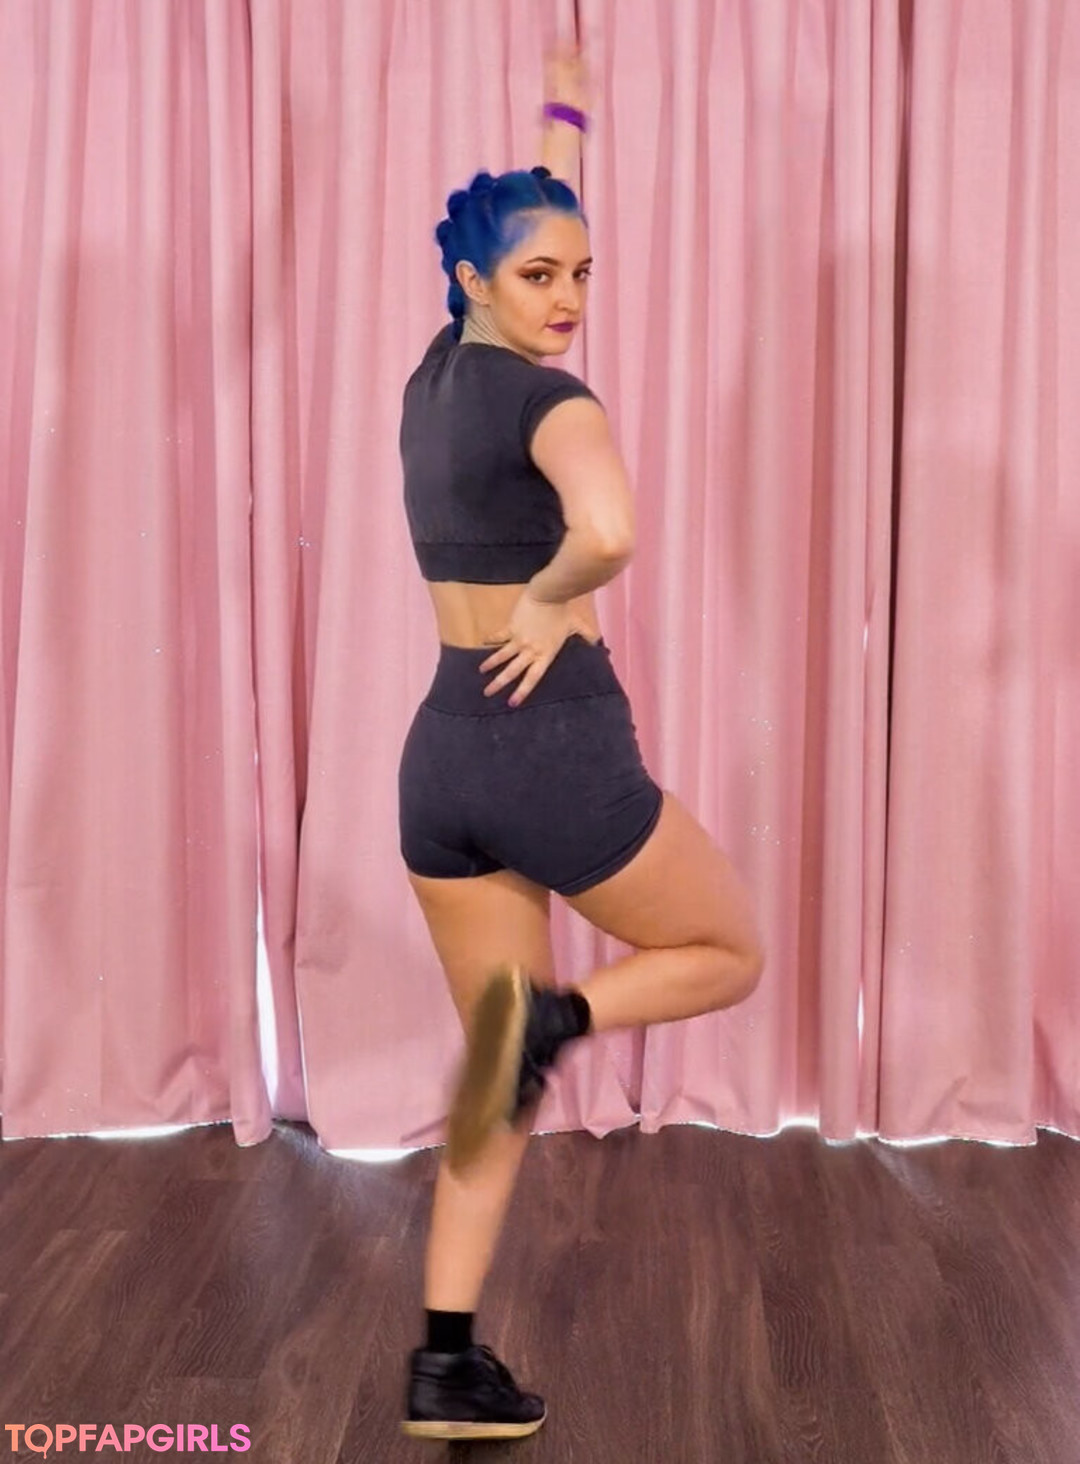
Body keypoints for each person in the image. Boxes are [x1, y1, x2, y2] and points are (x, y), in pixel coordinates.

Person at [396, 44, 765, 1443]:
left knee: (493, 1082)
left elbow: (522, 221)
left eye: (584, 275)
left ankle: (445, 1363)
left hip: (442, 760)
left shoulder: (437, 377)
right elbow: (607, 531)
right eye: (542, 277)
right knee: (727, 951)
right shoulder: (558, 403)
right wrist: (556, 596)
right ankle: (558, 1019)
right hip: (549, 749)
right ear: (477, 282)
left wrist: (565, 114)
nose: (568, 299)